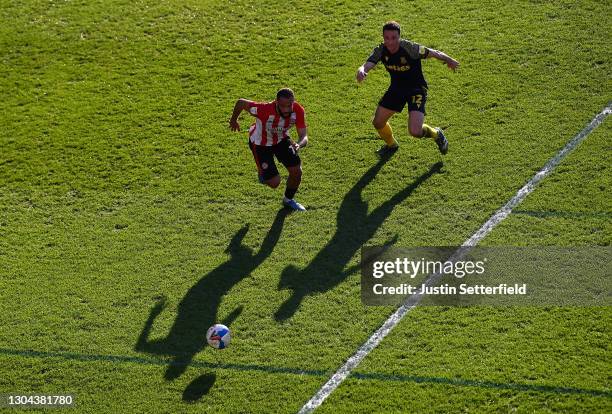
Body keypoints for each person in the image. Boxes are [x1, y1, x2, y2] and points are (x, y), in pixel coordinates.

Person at [356, 21, 459, 156]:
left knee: (415, 132)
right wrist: (361, 70)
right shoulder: (381, 50)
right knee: (378, 122)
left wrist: (449, 60)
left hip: (416, 90)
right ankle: (391, 145)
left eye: (394, 38)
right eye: (387, 38)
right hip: (396, 89)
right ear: (383, 37)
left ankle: (436, 134)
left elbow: (433, 52)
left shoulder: (410, 48)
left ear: (399, 37)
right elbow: (367, 64)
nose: (390, 42)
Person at [229, 88, 309, 211]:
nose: (287, 109)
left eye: (289, 105)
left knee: (297, 172)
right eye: (283, 106)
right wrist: (234, 119)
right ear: (276, 102)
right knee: (274, 183)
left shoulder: (298, 110)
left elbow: (304, 136)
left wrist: (299, 144)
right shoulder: (264, 110)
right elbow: (240, 102)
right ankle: (262, 173)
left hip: (281, 139)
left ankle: (288, 200)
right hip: (260, 144)